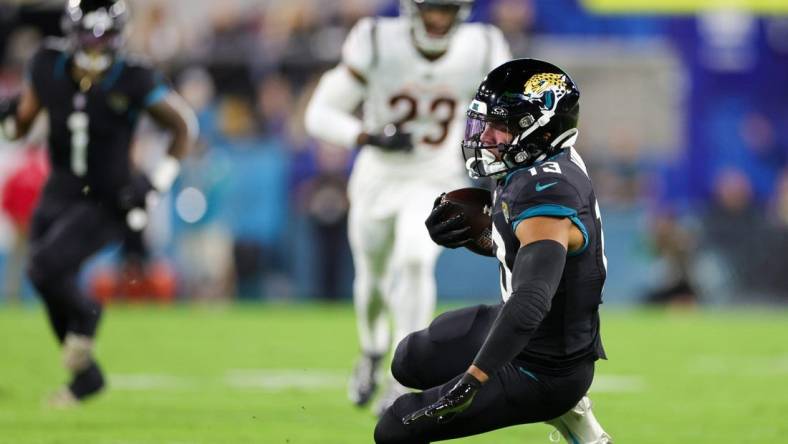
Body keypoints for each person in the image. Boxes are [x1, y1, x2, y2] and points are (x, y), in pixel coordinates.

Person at [374, 59, 613, 443]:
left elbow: (533, 297)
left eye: (502, 126)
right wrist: (480, 236)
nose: (487, 135)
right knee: (410, 359)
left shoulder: (548, 190)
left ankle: (564, 406)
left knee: (395, 429)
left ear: (541, 128)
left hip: (547, 368)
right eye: (487, 122)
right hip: (531, 333)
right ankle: (571, 414)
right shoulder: (536, 162)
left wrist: (474, 380)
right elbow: (531, 254)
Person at [304, 0, 511, 414]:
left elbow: (507, 114)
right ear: (413, 10)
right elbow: (319, 113)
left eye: (447, 10)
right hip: (378, 177)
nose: (438, 19)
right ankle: (373, 350)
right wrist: (367, 135)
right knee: (373, 278)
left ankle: (404, 377)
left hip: (436, 177)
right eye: (432, 9)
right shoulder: (378, 41)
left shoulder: (483, 46)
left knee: (415, 260)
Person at [0, 0, 197, 406]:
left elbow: (183, 127)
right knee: (48, 279)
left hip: (109, 198)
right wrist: (7, 117)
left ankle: (90, 313)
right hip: (59, 192)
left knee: (43, 268)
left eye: (103, 36)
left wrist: (156, 183)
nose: (94, 45)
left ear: (118, 36)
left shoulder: (134, 76)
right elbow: (19, 127)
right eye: (87, 35)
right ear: (71, 34)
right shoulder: (47, 64)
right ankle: (85, 375)